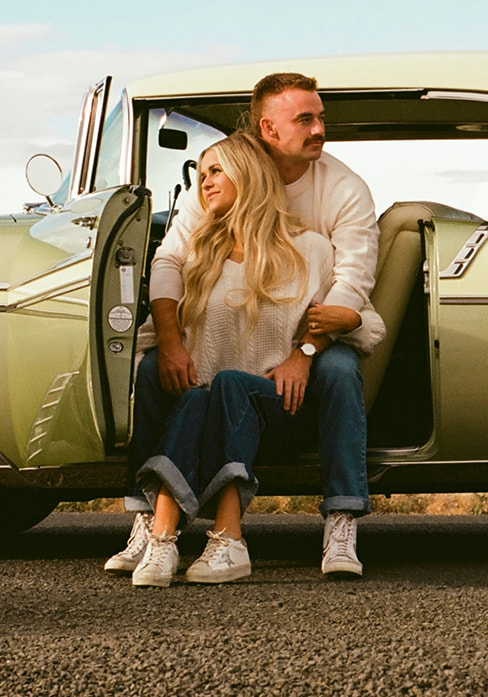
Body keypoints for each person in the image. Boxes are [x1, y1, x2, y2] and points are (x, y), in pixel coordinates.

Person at [107, 72, 384, 578]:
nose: (321, 128)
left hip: (315, 336)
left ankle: (342, 520)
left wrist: (304, 352)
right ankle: (151, 524)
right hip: (240, 354)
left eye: (321, 116)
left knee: (340, 367)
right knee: (154, 370)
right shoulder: (226, 172)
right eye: (306, 118)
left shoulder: (343, 190)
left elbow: (350, 283)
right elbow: (170, 259)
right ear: (268, 128)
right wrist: (170, 342)